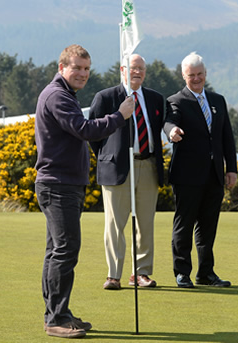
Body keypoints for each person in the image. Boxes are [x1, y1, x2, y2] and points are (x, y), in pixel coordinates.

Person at [34, 44, 133, 338]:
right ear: (62, 67)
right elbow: (84, 129)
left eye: (87, 69)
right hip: (58, 185)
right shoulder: (57, 96)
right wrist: (120, 116)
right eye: (77, 67)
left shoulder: (65, 94)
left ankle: (58, 313)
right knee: (64, 252)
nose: (82, 73)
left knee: (58, 251)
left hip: (65, 184)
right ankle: (55, 319)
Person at [88, 54, 165, 290]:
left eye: (141, 69)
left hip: (148, 164)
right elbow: (93, 134)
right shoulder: (106, 97)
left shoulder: (155, 99)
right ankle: (114, 274)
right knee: (115, 223)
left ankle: (141, 273)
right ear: (123, 70)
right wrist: (109, 156)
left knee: (145, 223)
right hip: (118, 167)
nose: (137, 72)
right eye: (133, 68)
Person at [164, 52, 238, 288]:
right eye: (191, 75)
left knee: (208, 228)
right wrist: (172, 131)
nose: (195, 79)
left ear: (205, 74)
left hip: (214, 174)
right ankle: (182, 273)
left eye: (199, 74)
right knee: (184, 225)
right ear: (183, 76)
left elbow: (227, 137)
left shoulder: (218, 100)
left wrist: (231, 168)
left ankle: (206, 273)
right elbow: (169, 121)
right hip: (187, 175)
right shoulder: (176, 100)